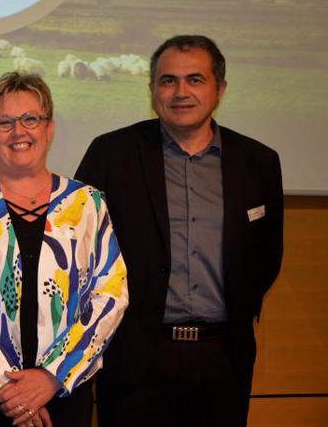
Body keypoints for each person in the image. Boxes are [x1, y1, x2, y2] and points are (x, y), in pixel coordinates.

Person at [75, 35, 284, 427]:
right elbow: (80, 252)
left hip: (223, 358)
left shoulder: (258, 162)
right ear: (152, 90)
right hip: (135, 357)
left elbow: (266, 255)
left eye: (195, 79)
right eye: (168, 80)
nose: (180, 92)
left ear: (219, 88)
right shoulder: (111, 154)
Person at [0, 71, 127, 427]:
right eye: (4, 121)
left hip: (62, 397)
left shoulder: (88, 203)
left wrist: (52, 376)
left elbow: (110, 296)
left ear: (49, 127)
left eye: (30, 119)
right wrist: (8, 390)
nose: (18, 131)